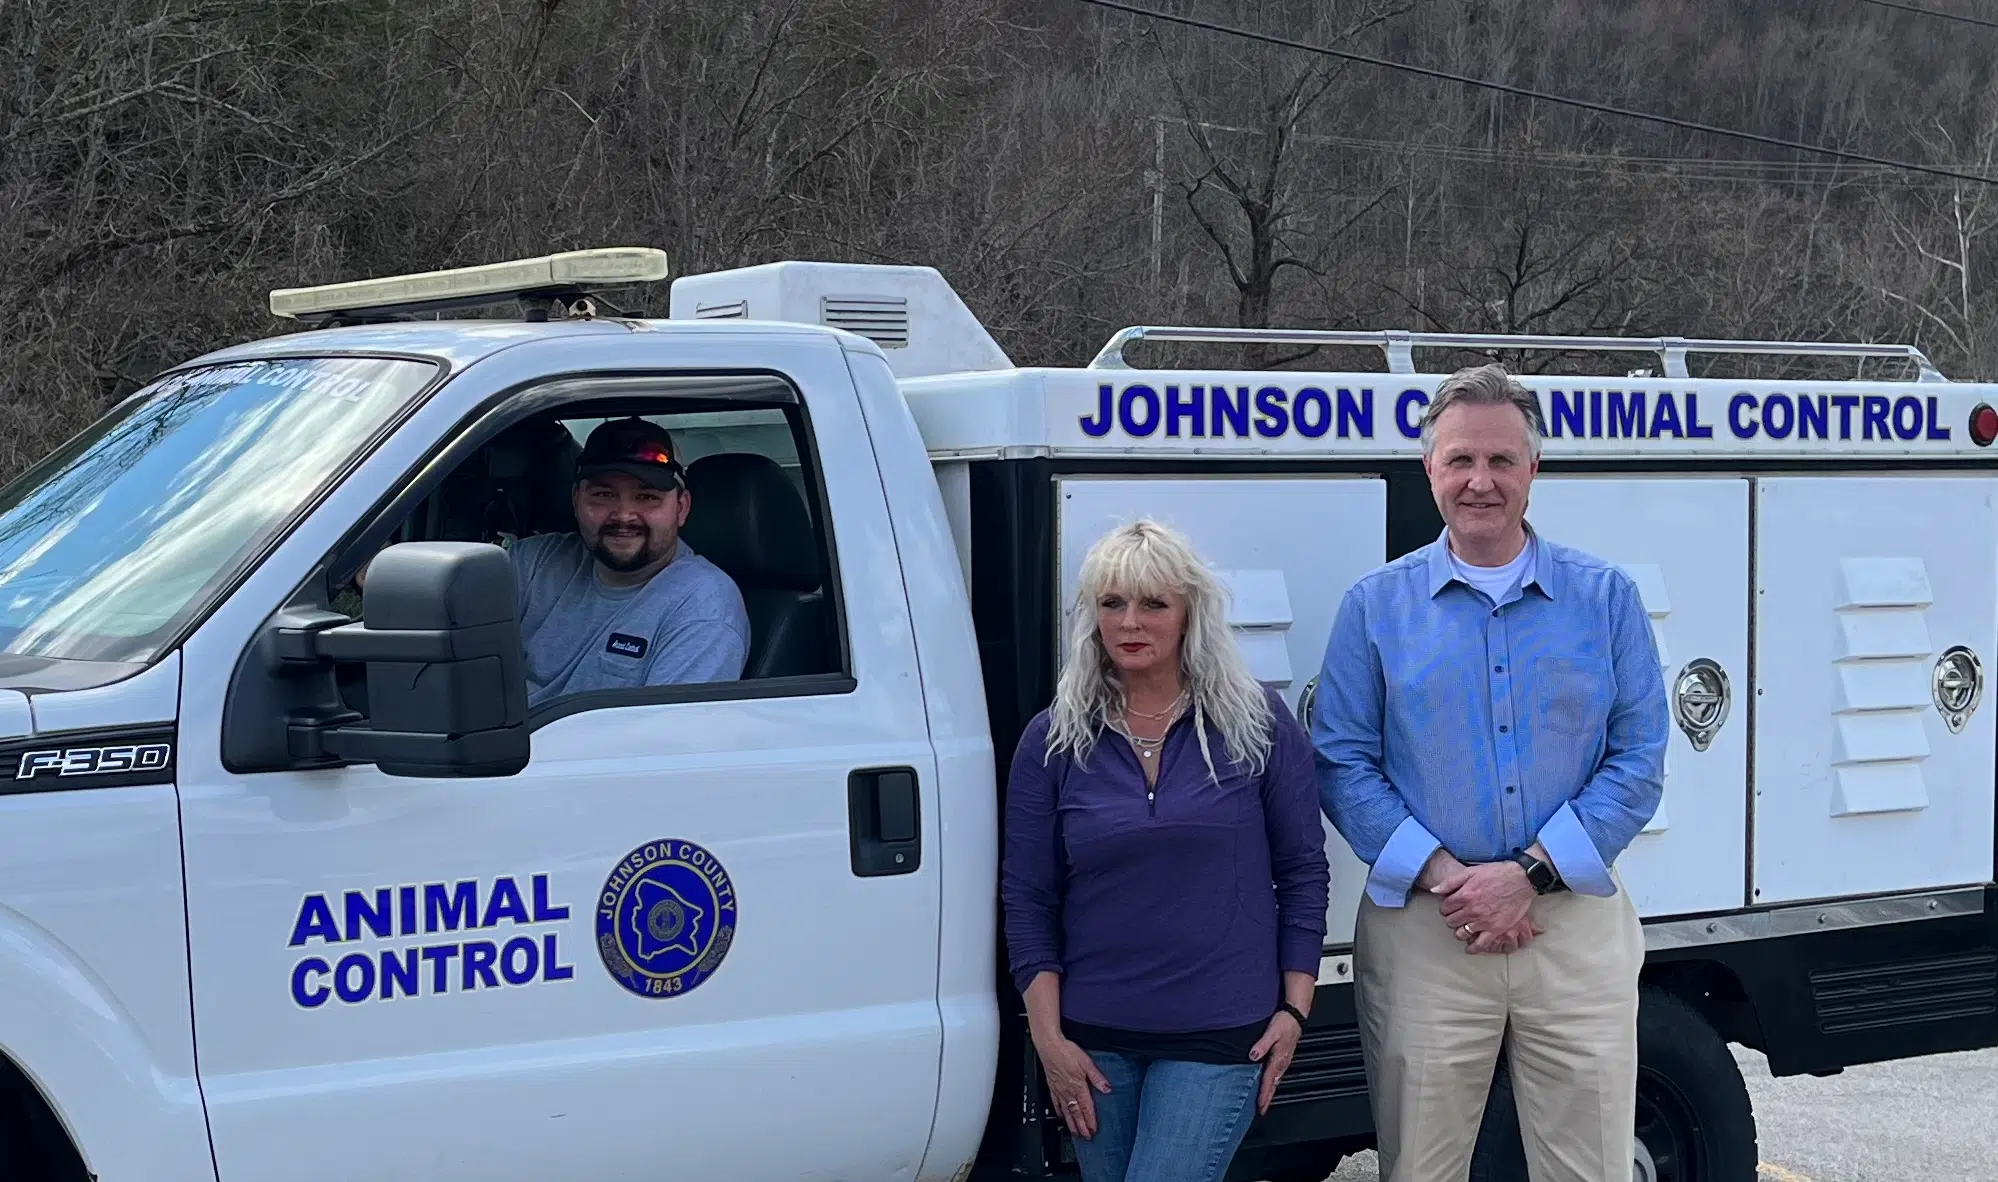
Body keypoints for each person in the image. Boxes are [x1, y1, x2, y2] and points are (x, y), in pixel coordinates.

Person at [1311, 363, 1669, 1182]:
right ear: (1428, 469)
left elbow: (1640, 755)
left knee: (1589, 1168)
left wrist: (1527, 876)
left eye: (1502, 461)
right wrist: (1447, 876)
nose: (1481, 481)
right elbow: (1342, 759)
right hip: (1426, 934)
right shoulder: (1375, 607)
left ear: (1534, 469)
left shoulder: (1605, 599)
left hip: (1572, 926)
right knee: (1420, 1168)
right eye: (1461, 460)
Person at [1000, 519, 1330, 1182]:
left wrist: (1295, 1007)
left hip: (1219, 1030)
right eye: (1112, 602)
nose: (1131, 621)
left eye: (1153, 603)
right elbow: (1027, 899)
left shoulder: (1258, 724)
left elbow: (1302, 871)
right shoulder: (1054, 740)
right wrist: (1050, 1041)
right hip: (1094, 1040)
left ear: (1190, 615)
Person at [508, 416, 750, 706]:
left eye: (647, 497)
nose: (623, 515)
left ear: (681, 508)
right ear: (576, 501)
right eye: (603, 494)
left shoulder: (703, 607)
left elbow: (658, 740)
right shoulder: (532, 562)